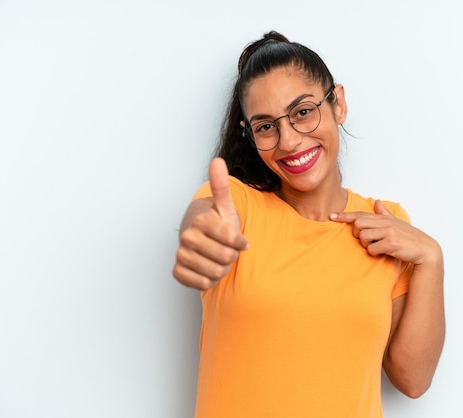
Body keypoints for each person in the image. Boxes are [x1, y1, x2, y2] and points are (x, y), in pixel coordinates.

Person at [172, 31, 445, 418]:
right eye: (266, 126)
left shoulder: (386, 224)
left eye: (302, 112)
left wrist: (431, 259)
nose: (288, 141)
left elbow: (412, 379)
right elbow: (204, 219)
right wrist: (201, 236)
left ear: (338, 104)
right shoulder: (239, 204)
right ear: (250, 136)